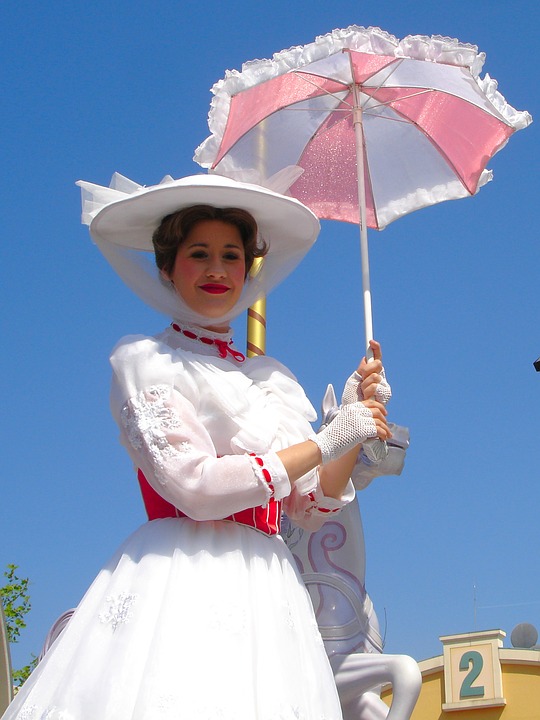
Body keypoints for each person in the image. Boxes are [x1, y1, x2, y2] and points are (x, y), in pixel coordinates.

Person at [2, 173, 392, 720]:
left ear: (249, 268)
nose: (216, 270)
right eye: (199, 254)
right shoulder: (146, 361)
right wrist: (327, 439)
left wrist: (351, 426)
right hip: (178, 580)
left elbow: (310, 503)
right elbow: (197, 489)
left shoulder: (271, 378)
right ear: (167, 267)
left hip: (269, 593)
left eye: (231, 255)